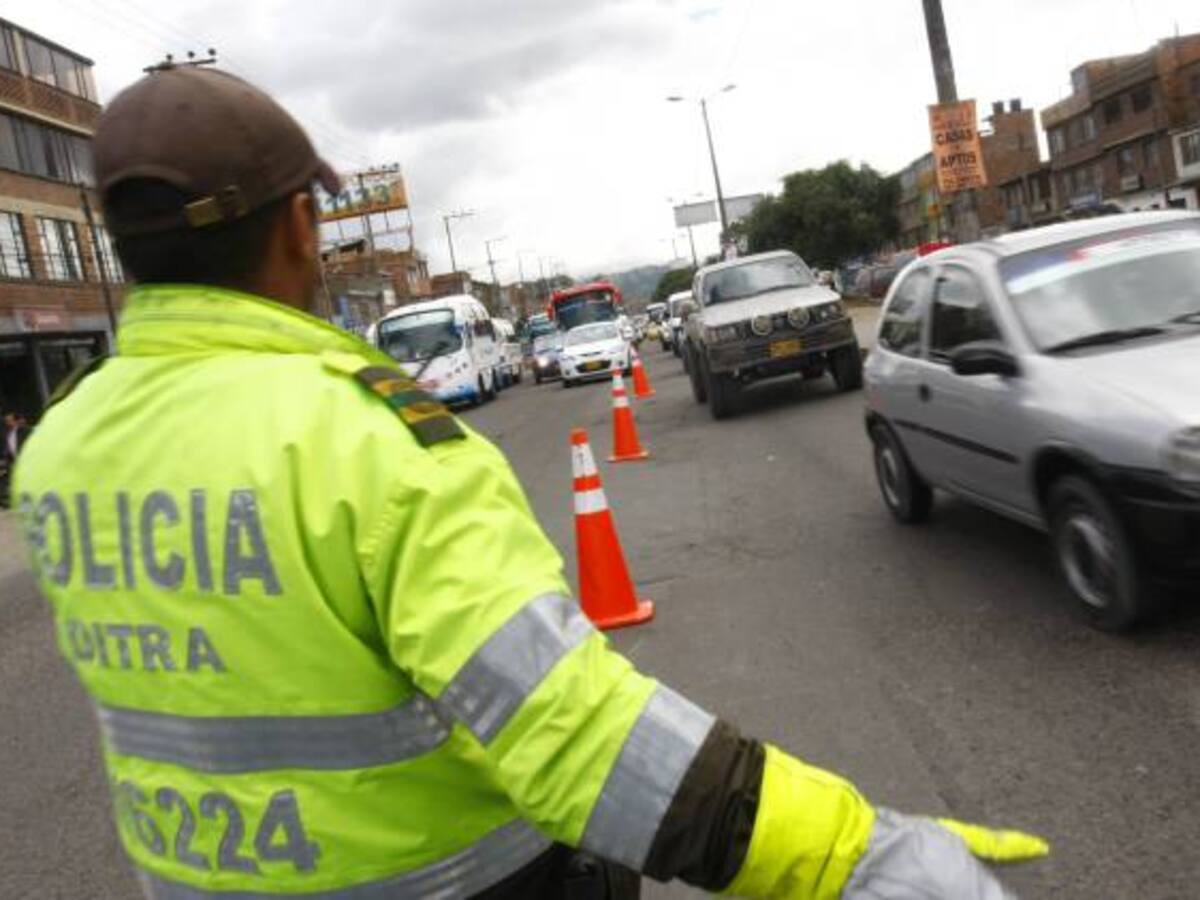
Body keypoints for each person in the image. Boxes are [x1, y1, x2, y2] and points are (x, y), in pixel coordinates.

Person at [12, 65, 1047, 900]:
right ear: (297, 226)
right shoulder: (364, 438)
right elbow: (573, 736)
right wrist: (849, 856)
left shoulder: (61, 446)